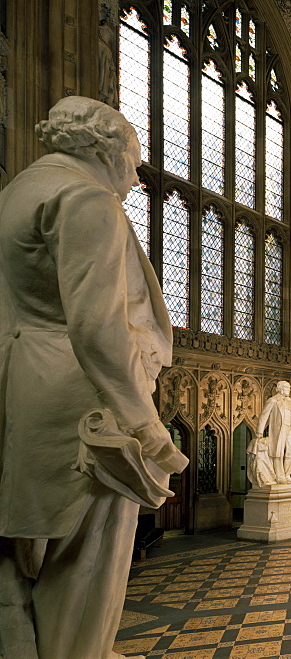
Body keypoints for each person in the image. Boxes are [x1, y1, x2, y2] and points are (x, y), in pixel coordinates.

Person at [0, 97, 187, 659]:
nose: (134, 174)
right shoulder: (85, 199)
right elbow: (98, 328)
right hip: (87, 407)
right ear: (103, 149)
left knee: (24, 556)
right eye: (131, 159)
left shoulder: (14, 195)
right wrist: (146, 426)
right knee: (86, 560)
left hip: (25, 387)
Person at [256, 381, 291, 484]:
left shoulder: (290, 401)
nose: (289, 389)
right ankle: (279, 475)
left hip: (290, 429)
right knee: (279, 452)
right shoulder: (273, 400)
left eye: (289, 388)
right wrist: (259, 432)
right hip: (279, 430)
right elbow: (264, 416)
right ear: (280, 388)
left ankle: (287, 474)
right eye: (287, 387)